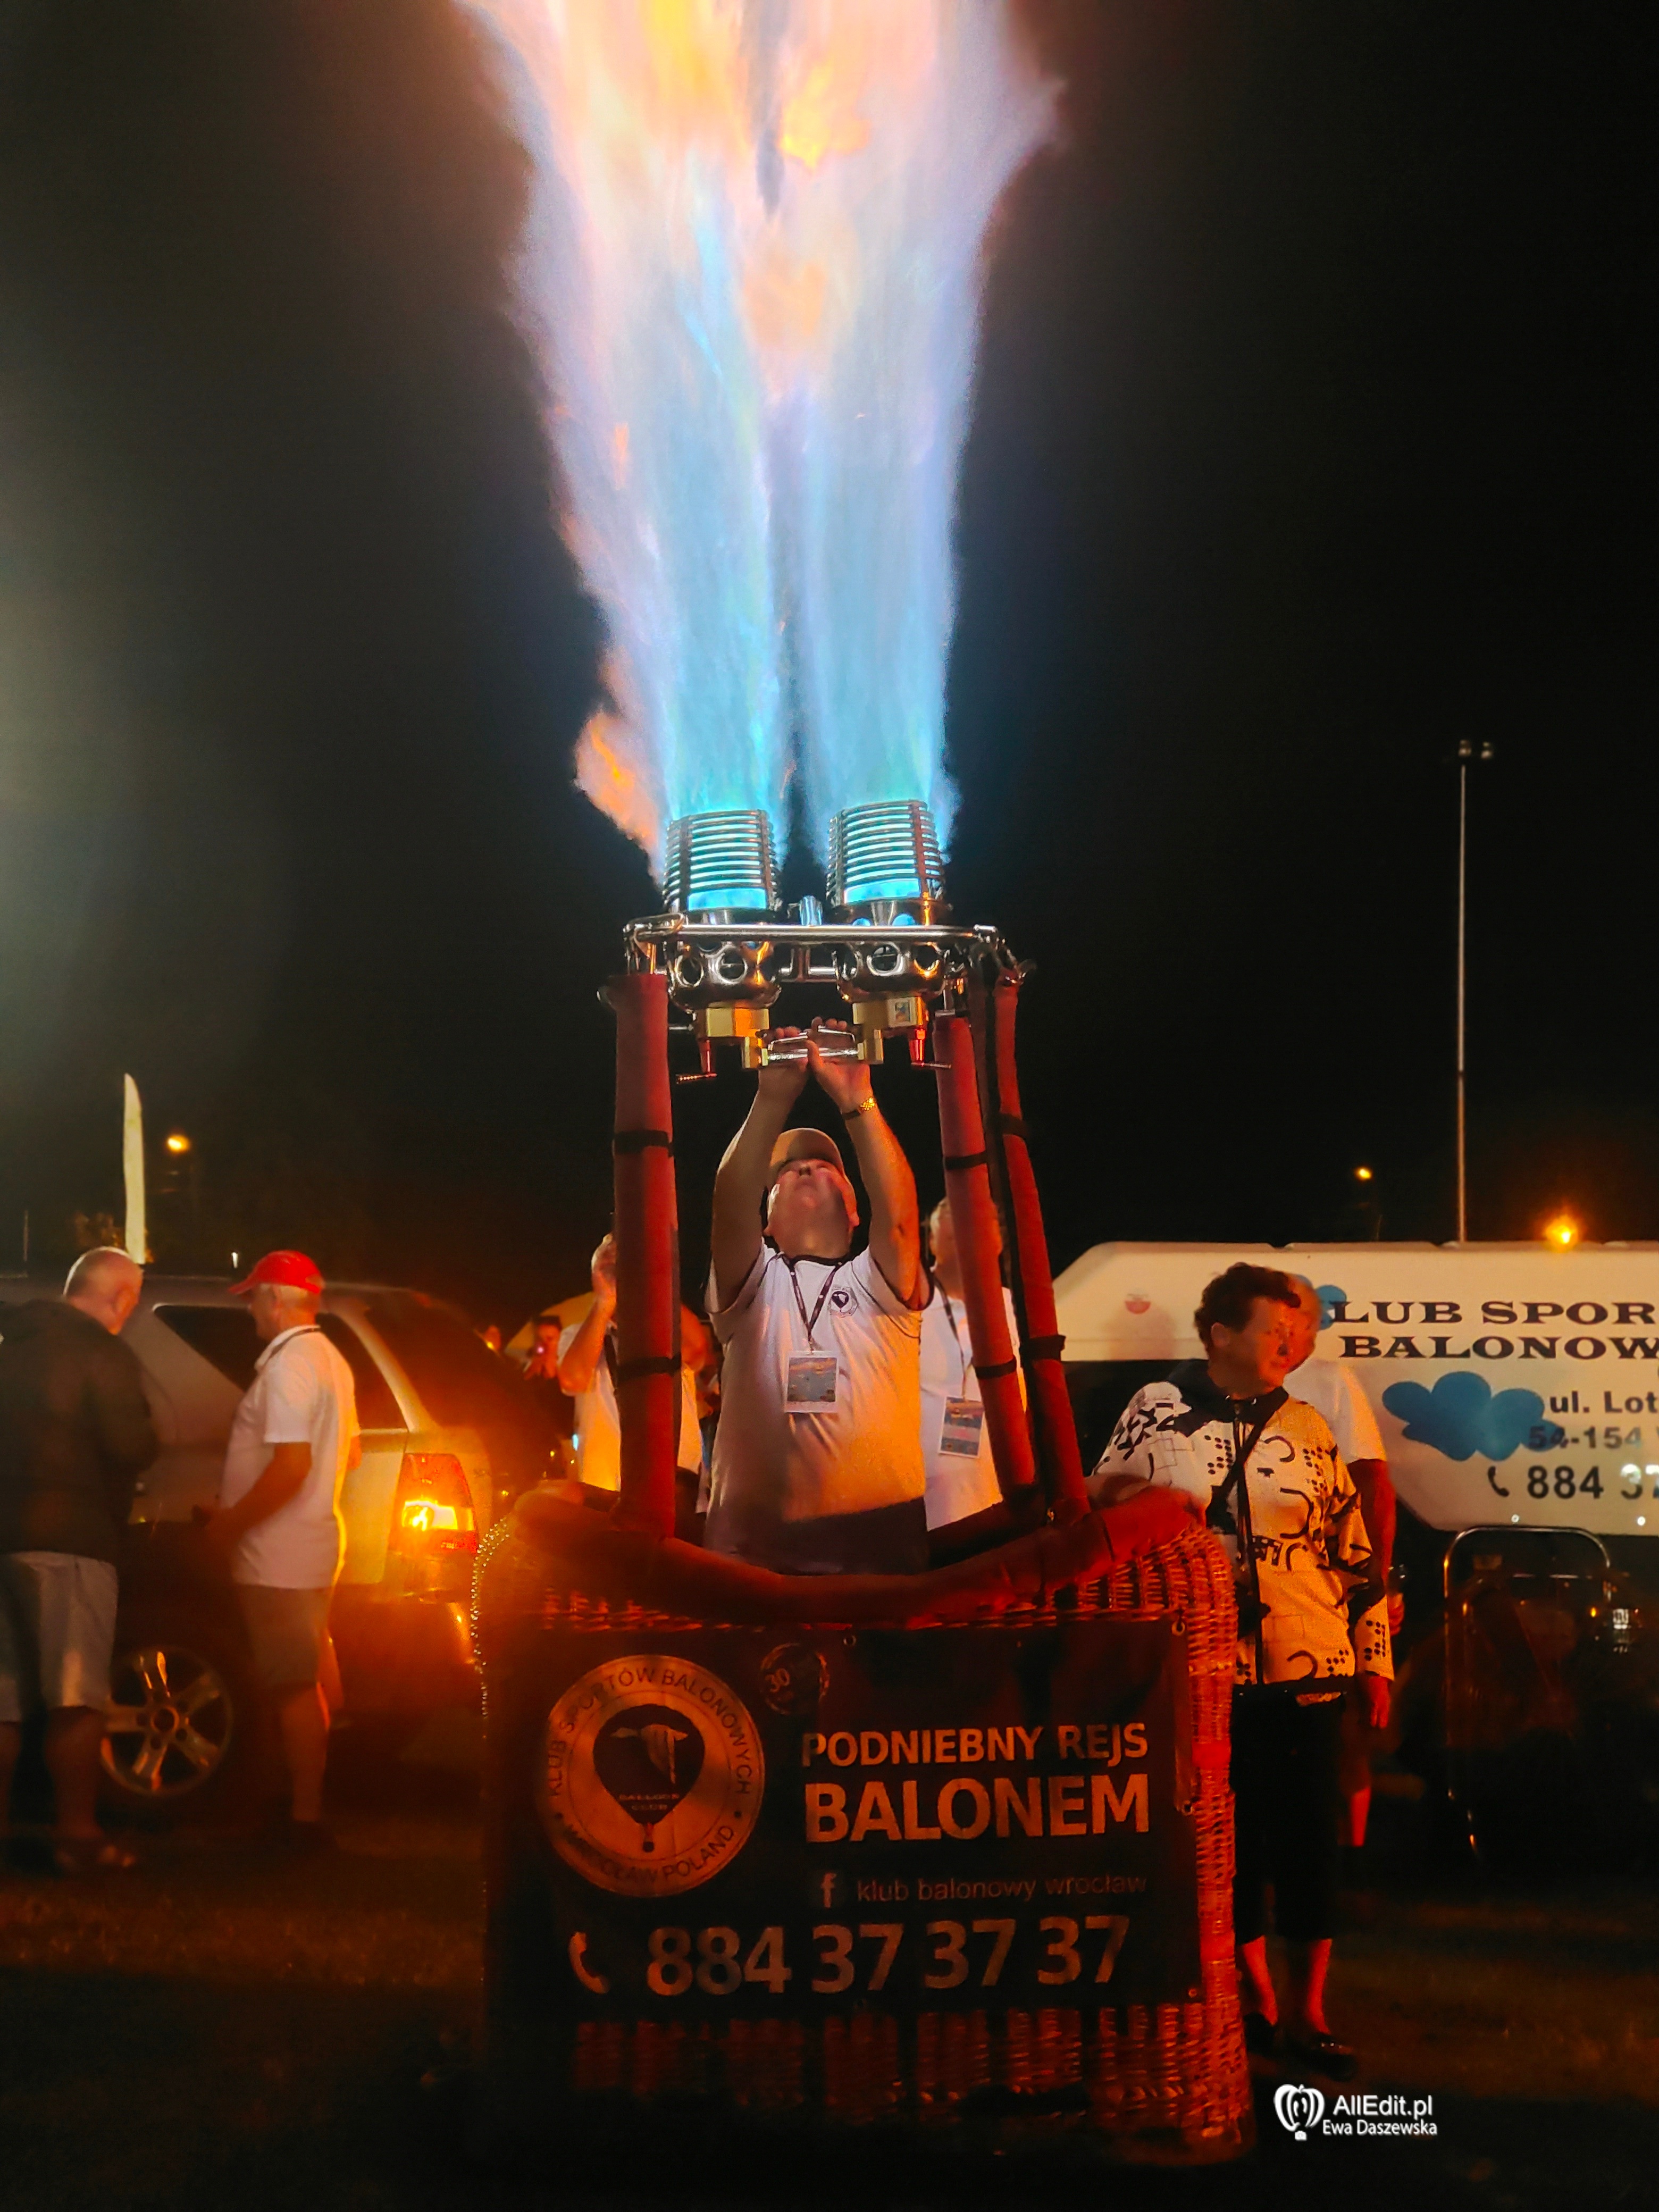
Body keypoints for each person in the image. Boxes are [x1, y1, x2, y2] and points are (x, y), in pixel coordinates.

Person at [1088, 1261, 1391, 2080]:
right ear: (1221, 1335)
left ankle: (1311, 2010)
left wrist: (1375, 1662)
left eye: (1294, 1333)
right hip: (1205, 1670)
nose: (1289, 1343)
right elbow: (1101, 1513)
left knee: (1309, 1843)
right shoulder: (1157, 1409)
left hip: (1309, 1664)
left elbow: (1354, 1553)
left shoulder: (1309, 1425)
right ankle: (1254, 1998)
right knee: (1231, 1846)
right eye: (1272, 1330)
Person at [706, 1018, 927, 1574]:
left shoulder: (876, 1280)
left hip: (878, 1561)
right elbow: (729, 1206)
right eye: (784, 1172)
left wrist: (857, 1099)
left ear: (855, 1210)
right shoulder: (755, 1281)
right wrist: (771, 1098)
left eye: (826, 1166)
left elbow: (901, 1222)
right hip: (752, 1562)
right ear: (766, 1220)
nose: (803, 1166)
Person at [0, 1249, 155, 1873]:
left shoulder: (11, 1342)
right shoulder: (102, 1352)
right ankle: (77, 1834)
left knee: (2, 1700)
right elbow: (130, 1444)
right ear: (120, 1298)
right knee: (75, 1697)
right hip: (70, 1538)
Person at [205, 1251, 359, 1851]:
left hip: (280, 1555)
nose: (250, 1310)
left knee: (292, 1684)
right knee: (302, 1678)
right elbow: (349, 1454)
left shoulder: (290, 1366)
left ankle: (303, 1820)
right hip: (311, 1544)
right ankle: (296, 1807)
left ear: (274, 1299)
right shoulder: (331, 1360)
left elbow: (292, 1465)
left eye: (253, 1298)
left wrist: (231, 1523)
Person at [1285, 1276, 1403, 1865]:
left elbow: (1374, 1486)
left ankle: (1349, 1858)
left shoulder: (1327, 1382)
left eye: (1300, 1322)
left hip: (1329, 1580)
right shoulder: (1196, 1387)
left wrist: (1377, 1586)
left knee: (1346, 1728)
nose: (1288, 1335)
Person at [555, 1235, 707, 1513]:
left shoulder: (665, 1329)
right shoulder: (577, 1335)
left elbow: (696, 1350)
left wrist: (651, 1280)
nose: (620, 1274)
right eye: (608, 1267)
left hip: (678, 1490)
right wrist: (605, 1300)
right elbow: (573, 1378)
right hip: (607, 1494)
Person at [918, 1197, 1023, 1534]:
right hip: (920, 1519)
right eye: (950, 1210)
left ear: (998, 1240)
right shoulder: (906, 1307)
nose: (966, 1217)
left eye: (983, 1214)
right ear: (931, 1240)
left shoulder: (1016, 1309)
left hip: (996, 1509)